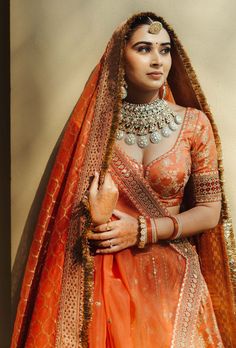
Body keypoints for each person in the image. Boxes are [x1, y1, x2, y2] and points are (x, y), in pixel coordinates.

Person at [11, 12, 236, 348]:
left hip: (175, 281)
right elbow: (69, 213)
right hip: (109, 279)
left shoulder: (193, 124)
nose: (157, 60)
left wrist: (143, 230)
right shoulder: (96, 129)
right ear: (120, 57)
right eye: (144, 48)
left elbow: (209, 211)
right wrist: (96, 219)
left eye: (165, 50)